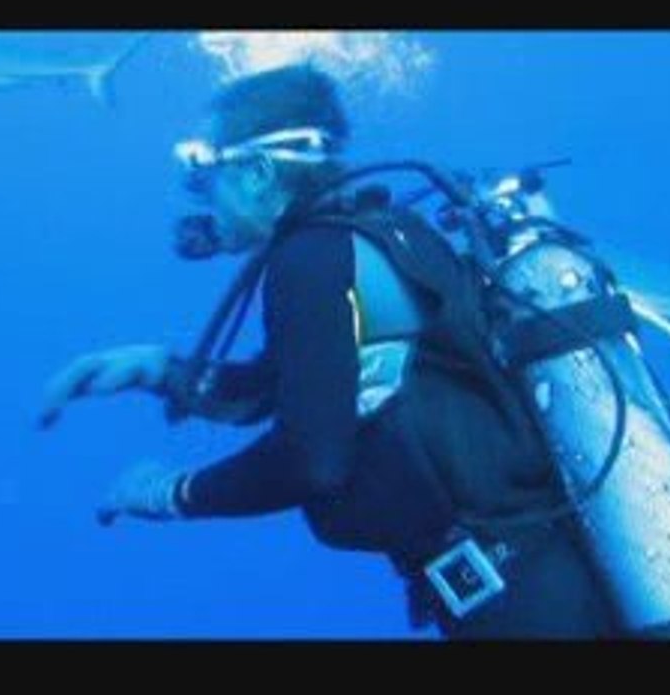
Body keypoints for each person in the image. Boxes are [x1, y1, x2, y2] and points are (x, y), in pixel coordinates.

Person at [38, 65, 622, 639]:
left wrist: (172, 493)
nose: (200, 198)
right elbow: (281, 392)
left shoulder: (312, 258)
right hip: (540, 573)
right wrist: (156, 369)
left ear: (259, 172)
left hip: (518, 603)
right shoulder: (374, 233)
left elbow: (311, 457)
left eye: (204, 174)